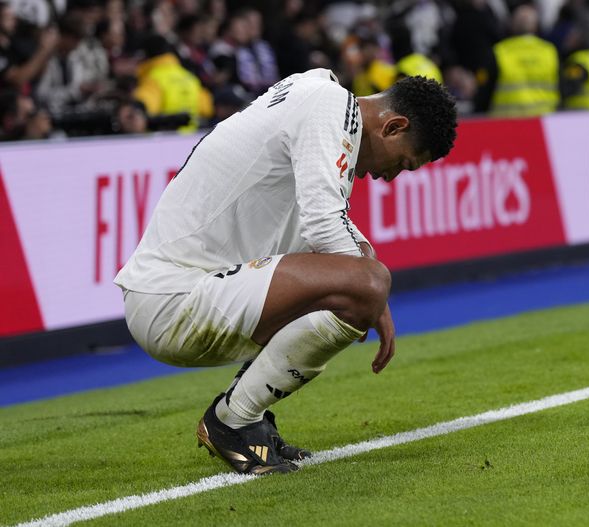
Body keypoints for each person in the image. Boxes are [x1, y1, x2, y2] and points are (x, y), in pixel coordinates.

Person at [114, 70, 457, 475]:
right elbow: (326, 226)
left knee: (360, 279)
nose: (389, 177)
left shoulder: (321, 99)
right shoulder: (328, 105)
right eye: (403, 163)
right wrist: (373, 290)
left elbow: (329, 227)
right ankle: (232, 420)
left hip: (198, 289)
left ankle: (250, 419)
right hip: (173, 298)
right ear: (394, 125)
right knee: (365, 283)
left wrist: (368, 279)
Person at [490, 4, 559, 117]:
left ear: (513, 25)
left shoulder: (499, 51)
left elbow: (486, 92)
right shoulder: (549, 51)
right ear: (535, 26)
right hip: (543, 122)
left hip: (507, 124)